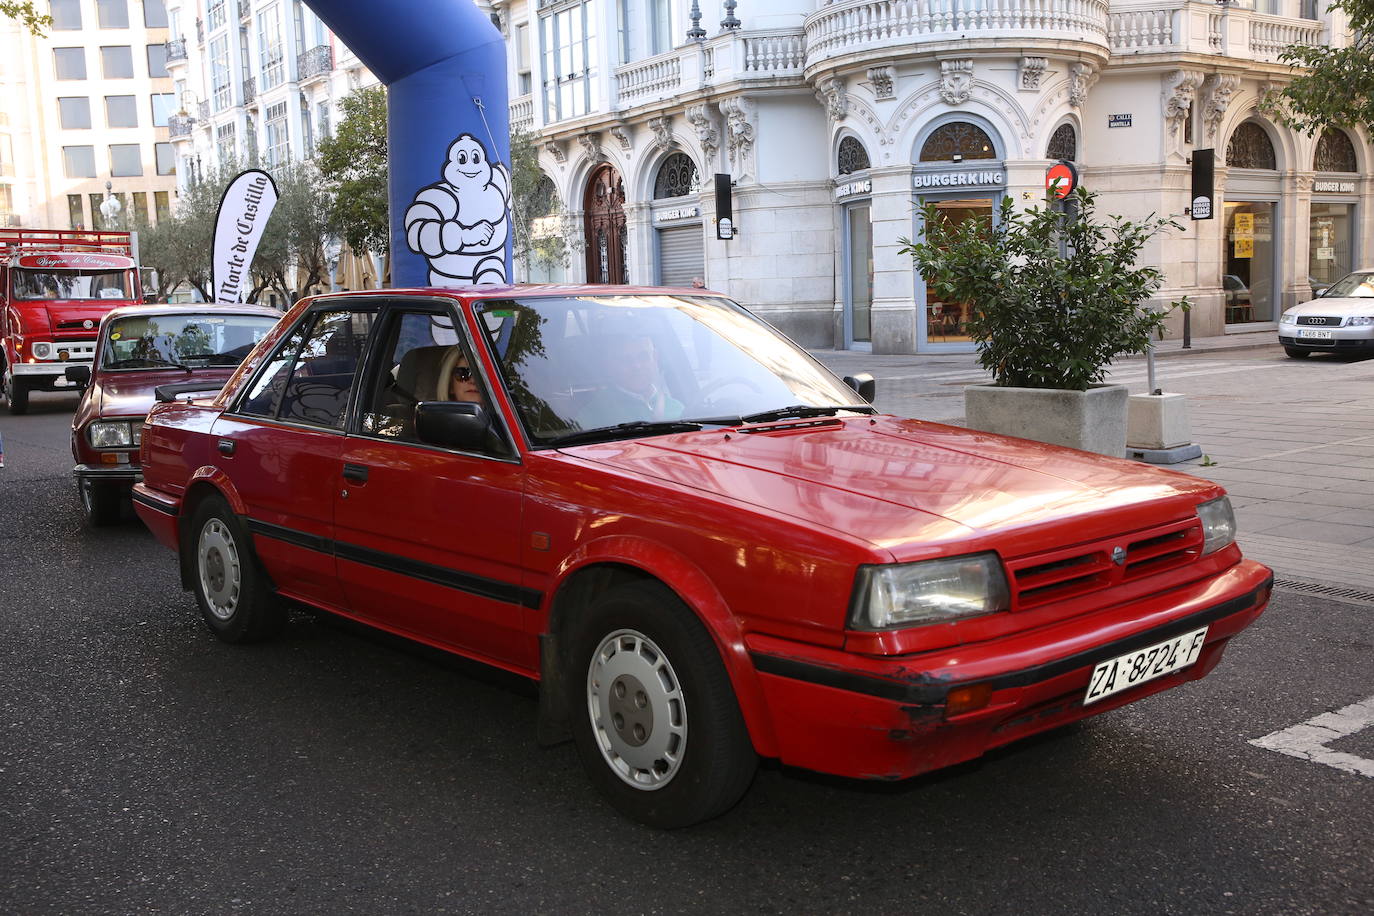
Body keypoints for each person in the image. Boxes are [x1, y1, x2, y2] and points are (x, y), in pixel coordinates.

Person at [577, 334, 683, 428]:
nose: (637, 366)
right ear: (610, 364)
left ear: (655, 358)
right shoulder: (592, 416)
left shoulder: (680, 410)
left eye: (643, 357)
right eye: (626, 360)